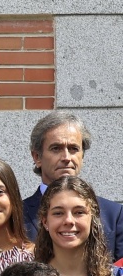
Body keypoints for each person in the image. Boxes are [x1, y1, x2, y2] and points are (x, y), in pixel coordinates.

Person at [22, 111, 123, 260]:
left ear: (82, 156)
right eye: (56, 148)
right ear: (37, 157)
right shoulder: (17, 215)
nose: (66, 158)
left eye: (73, 149)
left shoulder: (113, 215)